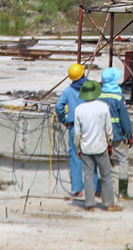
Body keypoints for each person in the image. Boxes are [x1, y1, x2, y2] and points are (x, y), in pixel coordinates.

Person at [74, 80, 121, 211]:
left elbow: (77, 133)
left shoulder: (79, 109)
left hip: (86, 147)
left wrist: (78, 148)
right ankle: (109, 203)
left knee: (88, 176)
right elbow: (108, 129)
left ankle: (89, 204)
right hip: (101, 145)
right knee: (106, 175)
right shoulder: (103, 107)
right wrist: (110, 143)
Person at [99, 66, 133, 200]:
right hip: (117, 135)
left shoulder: (99, 96)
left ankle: (104, 192)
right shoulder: (119, 97)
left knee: (104, 161)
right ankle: (122, 193)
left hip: (102, 135)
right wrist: (129, 134)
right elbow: (124, 119)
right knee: (123, 160)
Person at [55, 62, 88, 198]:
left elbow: (58, 106)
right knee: (95, 156)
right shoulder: (90, 88)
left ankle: (78, 189)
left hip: (75, 128)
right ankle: (96, 188)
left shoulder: (69, 91)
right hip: (91, 127)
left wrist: (64, 120)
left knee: (75, 158)